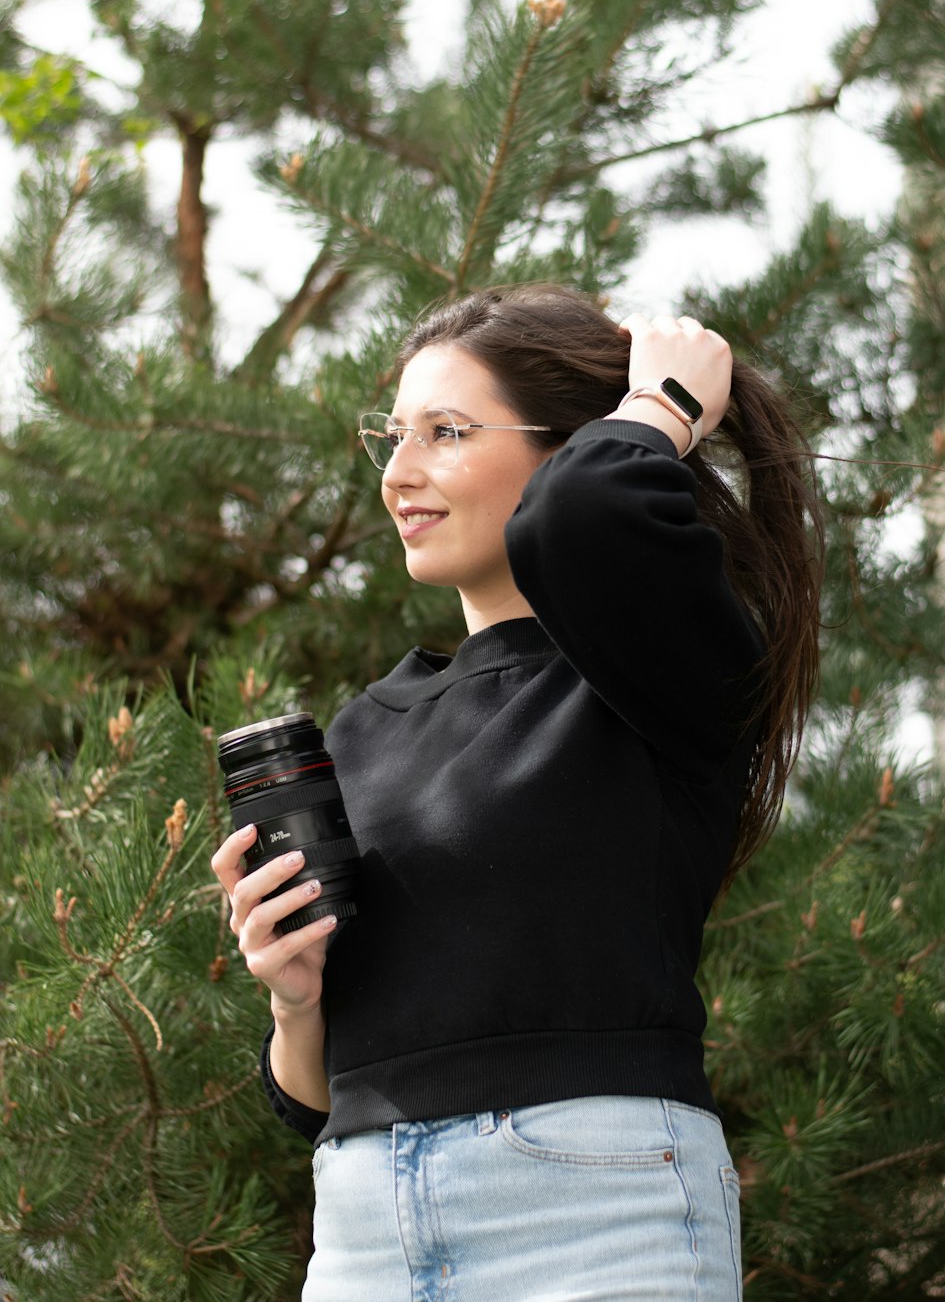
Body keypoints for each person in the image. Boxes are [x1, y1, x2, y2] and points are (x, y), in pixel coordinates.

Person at [212, 283, 822, 1301]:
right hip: (366, 1236)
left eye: (446, 433)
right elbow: (322, 1100)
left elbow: (586, 512)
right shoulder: (367, 728)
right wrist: (294, 1003)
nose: (400, 475)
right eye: (392, 438)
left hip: (593, 1222)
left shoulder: (657, 676)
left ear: (576, 446)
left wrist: (664, 402)